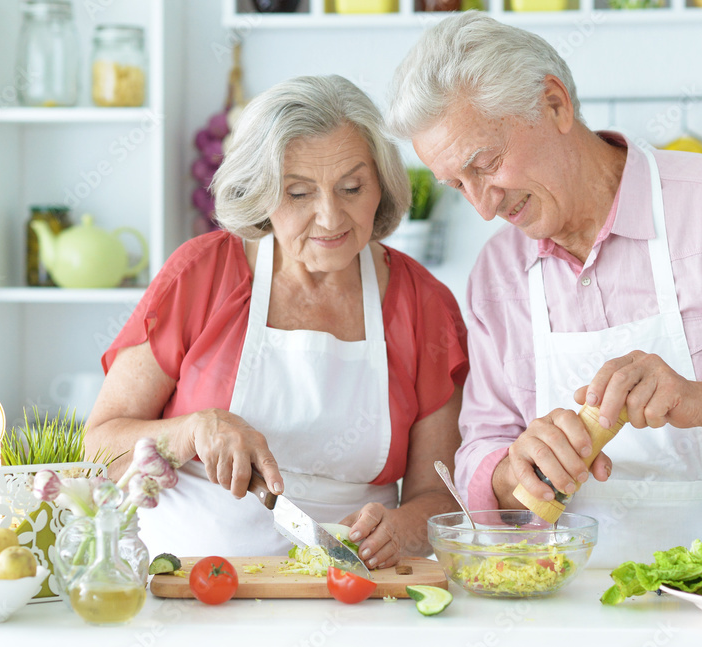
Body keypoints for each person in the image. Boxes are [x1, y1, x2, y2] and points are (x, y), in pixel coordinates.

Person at [386, 12, 702, 567]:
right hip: (569, 594)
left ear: (555, 104)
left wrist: (701, 400)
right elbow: (480, 446)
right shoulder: (498, 271)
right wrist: (511, 467)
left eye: (487, 164)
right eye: (456, 184)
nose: (482, 205)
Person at [85, 75, 469, 568]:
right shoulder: (203, 273)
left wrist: (399, 530)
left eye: (352, 187)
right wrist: (194, 431)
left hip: (348, 590)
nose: (331, 218)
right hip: (184, 584)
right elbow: (96, 449)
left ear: (382, 184)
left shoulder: (425, 305)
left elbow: (439, 501)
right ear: (262, 193)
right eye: (298, 194)